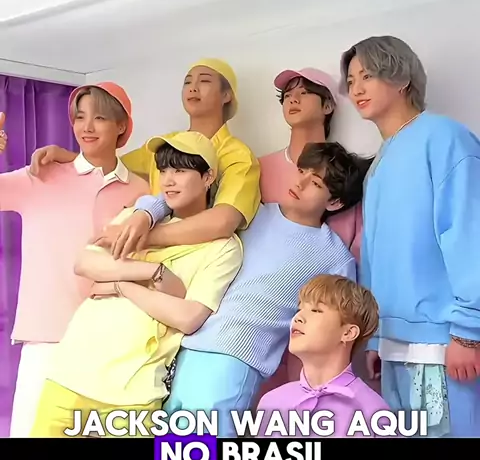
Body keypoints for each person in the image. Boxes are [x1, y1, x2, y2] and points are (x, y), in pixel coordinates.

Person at [31, 132, 243, 437]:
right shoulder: (137, 217)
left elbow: (188, 316)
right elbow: (85, 262)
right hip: (71, 372)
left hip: (135, 391)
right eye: (164, 170)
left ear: (207, 177)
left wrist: (122, 285)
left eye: (180, 170)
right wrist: (152, 273)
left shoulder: (223, 247)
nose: (168, 180)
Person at [164, 141, 362, 437]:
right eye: (302, 171)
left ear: (334, 202)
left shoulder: (335, 258)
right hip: (184, 344)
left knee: (205, 451)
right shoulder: (248, 214)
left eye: (316, 183)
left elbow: (334, 336)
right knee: (169, 451)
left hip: (237, 358)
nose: (300, 182)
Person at [342, 35, 480, 438]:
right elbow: (375, 255)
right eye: (350, 81)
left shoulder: (445, 138)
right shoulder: (380, 161)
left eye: (367, 75)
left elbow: (469, 233)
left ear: (401, 78)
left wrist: (469, 334)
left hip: (444, 344)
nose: (357, 89)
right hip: (394, 347)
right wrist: (375, 338)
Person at [0, 83, 147, 437]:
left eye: (99, 118)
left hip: (111, 343)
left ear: (122, 126)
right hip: (47, 338)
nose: (87, 127)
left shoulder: (141, 192)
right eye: (80, 118)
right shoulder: (42, 175)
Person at [31, 59, 261, 257]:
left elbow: (222, 221)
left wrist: (139, 234)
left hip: (196, 256)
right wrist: (70, 157)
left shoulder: (237, 155)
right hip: (144, 254)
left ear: (226, 95)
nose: (193, 88)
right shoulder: (163, 144)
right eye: (187, 82)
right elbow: (113, 168)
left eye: (204, 81)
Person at [258, 67, 368, 392]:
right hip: (254, 328)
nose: (293, 99)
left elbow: (354, 262)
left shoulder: (345, 178)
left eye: (304, 92)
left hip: (315, 329)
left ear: (328, 105)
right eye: (287, 94)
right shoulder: (258, 168)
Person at [256, 274, 393, 438]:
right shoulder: (270, 403)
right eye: (299, 310)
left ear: (348, 333)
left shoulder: (374, 414)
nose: (298, 318)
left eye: (316, 310)